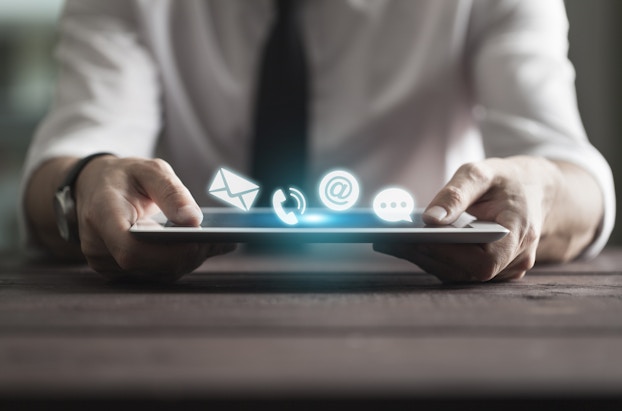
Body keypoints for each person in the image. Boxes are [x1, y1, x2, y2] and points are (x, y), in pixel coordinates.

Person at [20, 0, 615, 282]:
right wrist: (86, 184)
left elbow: (573, 174)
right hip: (177, 323)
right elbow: (74, 154)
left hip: (422, 307)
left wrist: (539, 191)